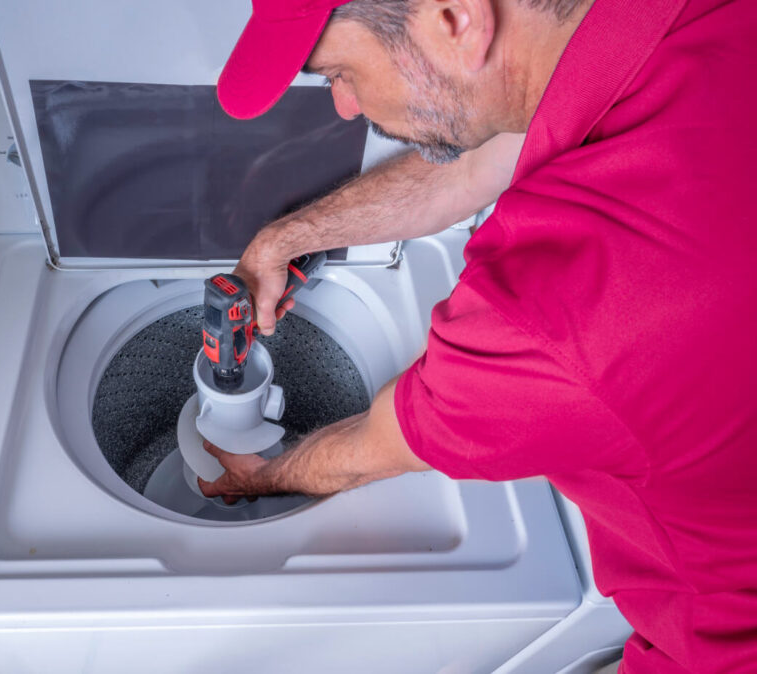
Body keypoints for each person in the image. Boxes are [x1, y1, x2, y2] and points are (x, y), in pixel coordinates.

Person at [196, 0, 757, 671]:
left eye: (339, 71)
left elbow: (374, 447)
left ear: (455, 18)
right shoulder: (682, 25)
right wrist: (285, 240)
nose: (343, 106)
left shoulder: (554, 314)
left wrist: (260, 477)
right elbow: (477, 163)